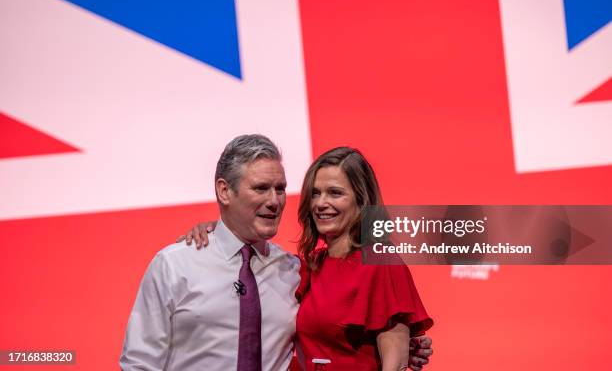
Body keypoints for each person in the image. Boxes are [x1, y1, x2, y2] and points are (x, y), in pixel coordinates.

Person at [182, 145, 434, 370]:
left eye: (335, 193)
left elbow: (396, 364)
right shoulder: (309, 267)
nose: (321, 203)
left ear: (361, 199)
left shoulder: (381, 264)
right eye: (315, 193)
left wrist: (407, 348)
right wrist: (221, 230)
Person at [120, 134, 301, 370]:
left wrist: (368, 209)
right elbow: (139, 363)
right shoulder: (174, 264)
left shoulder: (294, 271)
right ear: (224, 191)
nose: (274, 201)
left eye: (280, 189)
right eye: (261, 188)